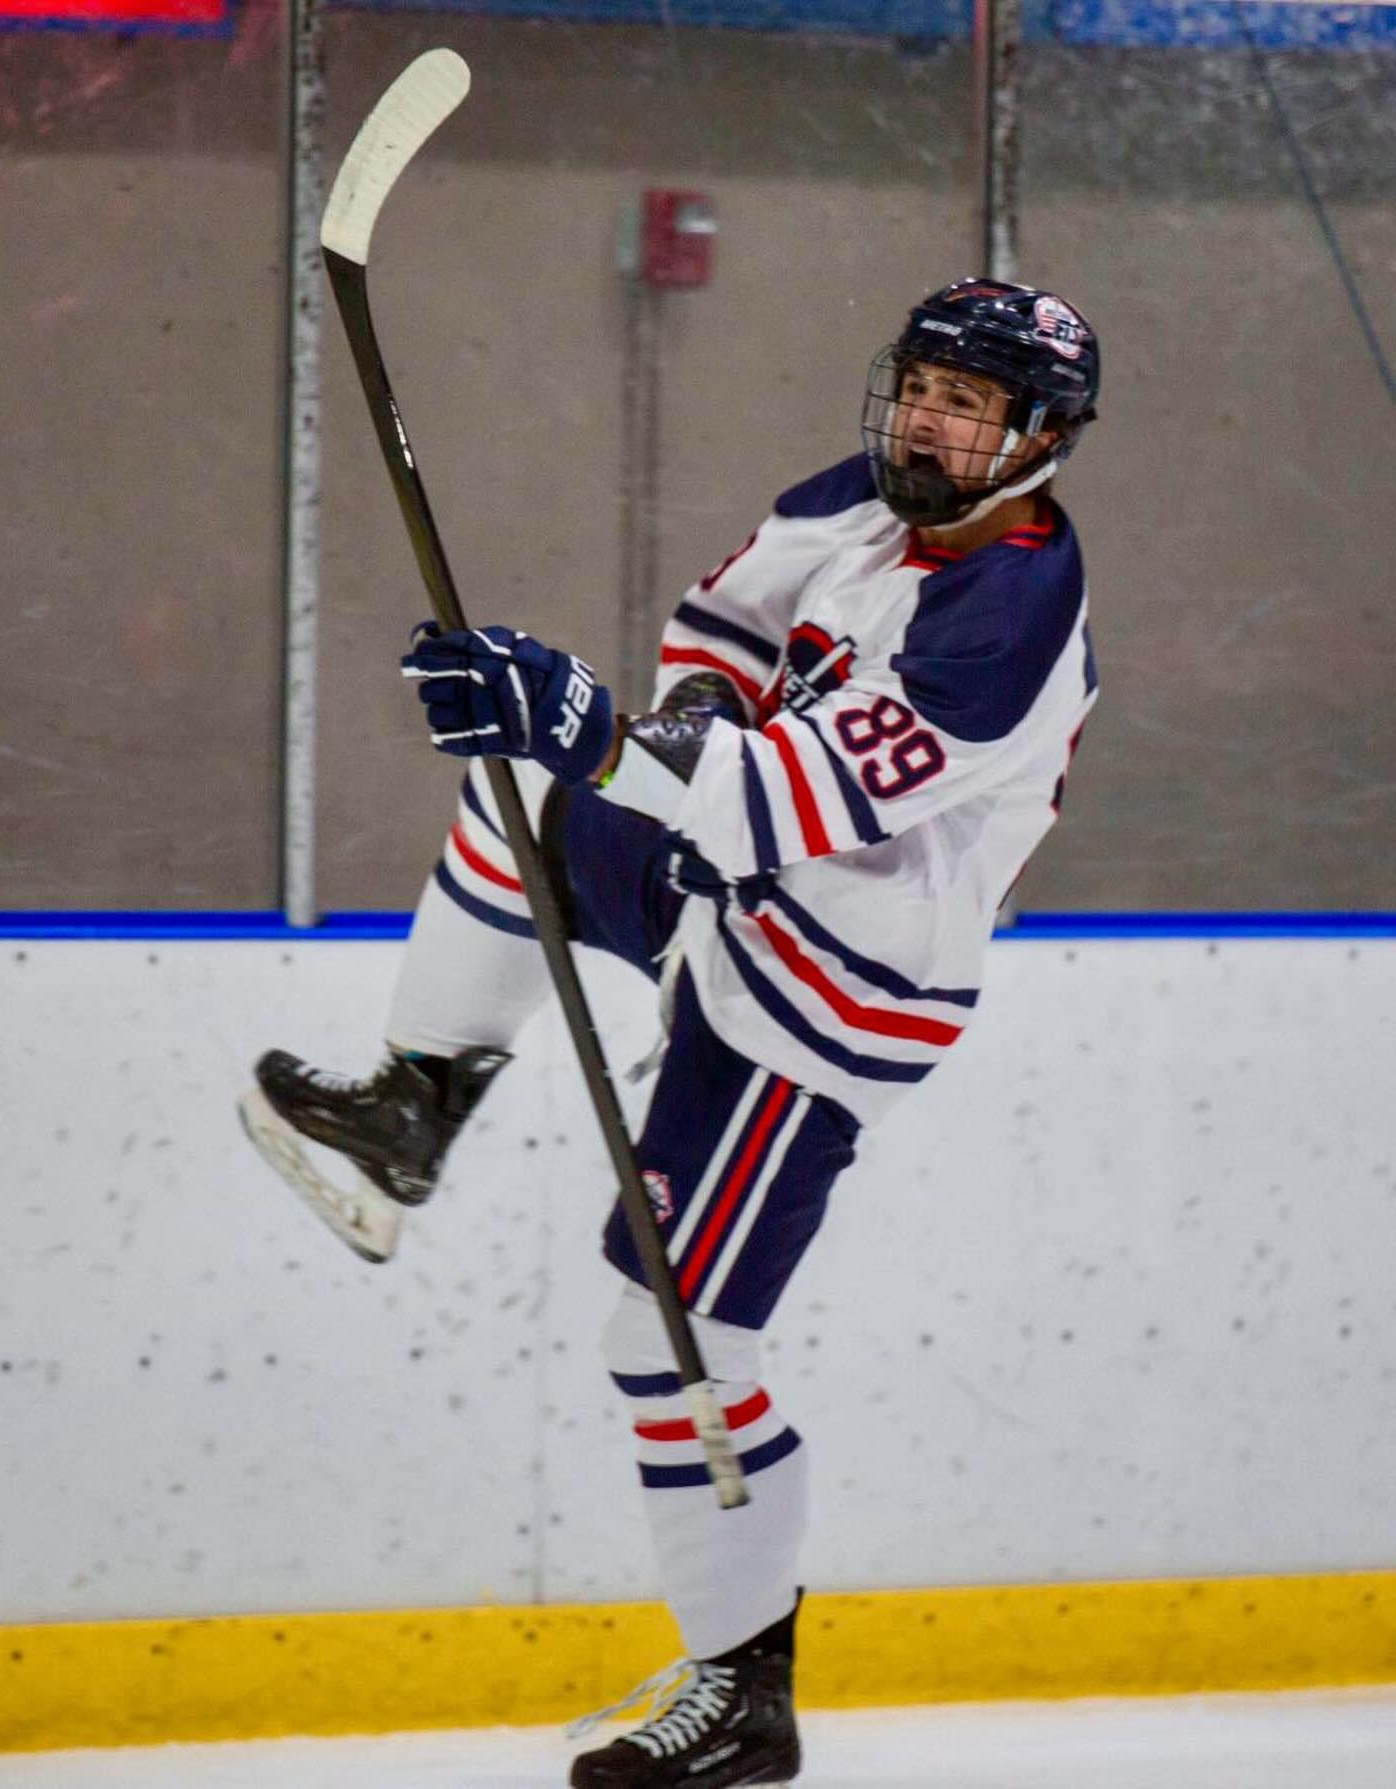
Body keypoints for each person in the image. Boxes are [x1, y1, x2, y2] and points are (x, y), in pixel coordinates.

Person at [239, 277, 1101, 1788]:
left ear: (1038, 440)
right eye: (919, 384)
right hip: (732, 881)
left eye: (970, 404)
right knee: (533, 812)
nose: (928, 418)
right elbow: (721, 633)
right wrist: (640, 739)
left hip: (826, 1002)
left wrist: (606, 733)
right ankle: (412, 1107)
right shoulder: (862, 501)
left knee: (673, 1331)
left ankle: (743, 1693)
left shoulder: (1010, 627)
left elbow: (790, 799)